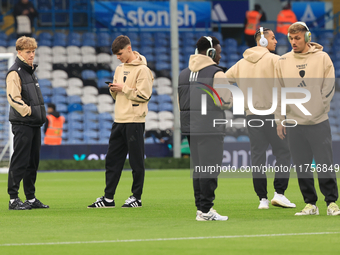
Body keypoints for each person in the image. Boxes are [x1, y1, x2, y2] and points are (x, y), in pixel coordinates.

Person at [225, 27, 295, 209]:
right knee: (283, 152)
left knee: (257, 156)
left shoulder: (240, 64)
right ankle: (279, 193)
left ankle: (262, 199)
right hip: (272, 115)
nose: (276, 41)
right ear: (262, 41)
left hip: (251, 116)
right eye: (273, 38)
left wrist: (233, 97)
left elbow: (221, 80)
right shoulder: (275, 60)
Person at [275, 22, 340, 216]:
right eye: (291, 38)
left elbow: (328, 87)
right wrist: (280, 119)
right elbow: (278, 92)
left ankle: (331, 203)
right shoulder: (282, 61)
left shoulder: (322, 58)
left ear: (307, 38)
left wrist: (318, 108)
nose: (293, 42)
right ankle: (310, 203)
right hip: (294, 123)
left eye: (297, 38)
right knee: (302, 165)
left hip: (318, 121)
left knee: (325, 162)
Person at [88, 35, 153, 208]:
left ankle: (136, 197)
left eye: (120, 53)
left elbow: (144, 95)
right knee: (112, 160)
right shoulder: (119, 68)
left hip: (135, 120)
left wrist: (123, 88)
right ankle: (108, 198)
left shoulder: (143, 70)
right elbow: (118, 95)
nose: (118, 56)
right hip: (119, 119)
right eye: (116, 54)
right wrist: (114, 89)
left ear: (129, 48)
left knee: (136, 161)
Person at [178, 36, 232, 221]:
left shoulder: (183, 73)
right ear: (211, 52)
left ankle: (201, 209)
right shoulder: (217, 73)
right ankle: (207, 210)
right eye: (218, 52)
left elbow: (181, 103)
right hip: (210, 127)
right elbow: (224, 101)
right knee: (210, 169)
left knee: (199, 169)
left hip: (191, 127)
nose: (220, 56)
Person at [6, 36, 49, 210]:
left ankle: (30, 198)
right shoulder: (15, 72)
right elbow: (13, 98)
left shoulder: (30, 71)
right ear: (19, 52)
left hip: (33, 124)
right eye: (28, 52)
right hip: (23, 123)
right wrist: (29, 111)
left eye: (33, 51)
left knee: (32, 162)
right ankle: (13, 199)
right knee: (20, 160)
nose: (31, 55)